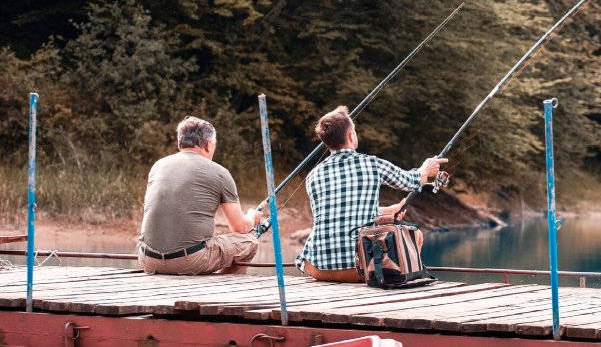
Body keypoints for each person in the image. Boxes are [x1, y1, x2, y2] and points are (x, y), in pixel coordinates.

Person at [295, 106, 447, 283]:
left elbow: (339, 213)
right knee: (416, 235)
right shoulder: (372, 164)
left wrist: (388, 211)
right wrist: (426, 168)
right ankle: (400, 279)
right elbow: (412, 181)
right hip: (359, 269)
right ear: (351, 136)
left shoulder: (312, 175)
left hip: (317, 268)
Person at [138, 116, 265, 275]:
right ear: (208, 144)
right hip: (188, 261)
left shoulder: (158, 166)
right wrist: (252, 216)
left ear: (181, 143)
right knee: (249, 242)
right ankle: (223, 290)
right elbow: (239, 228)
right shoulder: (220, 173)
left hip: (148, 259)